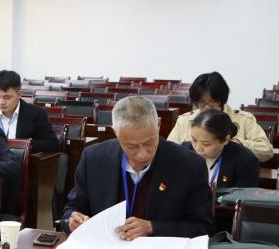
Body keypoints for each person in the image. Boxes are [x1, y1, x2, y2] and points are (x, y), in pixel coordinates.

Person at [63, 96, 213, 239]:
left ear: (158, 124)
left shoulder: (189, 165)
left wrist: (153, 228)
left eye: (149, 143)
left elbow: (202, 227)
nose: (142, 154)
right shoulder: (94, 159)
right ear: (115, 132)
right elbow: (72, 209)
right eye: (131, 146)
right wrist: (73, 220)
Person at [167, 71, 272, 163]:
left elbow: (267, 151)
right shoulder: (184, 121)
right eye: (201, 102)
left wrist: (237, 144)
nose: (207, 106)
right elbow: (169, 152)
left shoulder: (244, 120)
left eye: (212, 101)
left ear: (222, 100)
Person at [182, 109, 260, 190]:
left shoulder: (245, 161)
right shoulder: (184, 152)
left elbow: (244, 196)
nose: (198, 148)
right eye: (194, 140)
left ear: (226, 139)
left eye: (206, 144)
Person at [0, 69, 60, 152]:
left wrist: (27, 144)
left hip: (20, 159)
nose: (1, 102)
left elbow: (53, 144)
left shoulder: (37, 114)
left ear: (19, 94)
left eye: (7, 97)